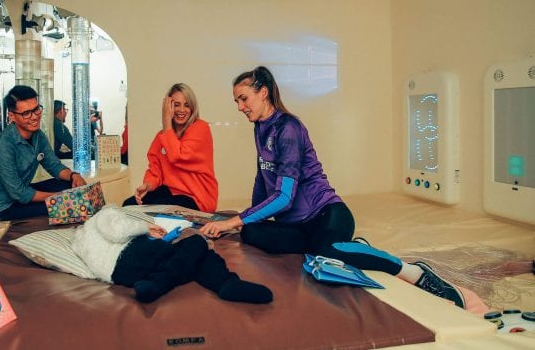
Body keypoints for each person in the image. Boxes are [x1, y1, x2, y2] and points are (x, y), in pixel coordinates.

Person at [199, 66, 465, 308]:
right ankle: (346, 247)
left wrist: (232, 221)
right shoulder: (260, 127)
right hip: (296, 225)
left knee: (325, 252)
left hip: (326, 214)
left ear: (263, 92)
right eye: (236, 101)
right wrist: (245, 219)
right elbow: (263, 176)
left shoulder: (288, 128)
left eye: (243, 98)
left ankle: (415, 272)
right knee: (252, 233)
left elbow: (283, 197)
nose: (239, 106)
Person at [71, 206, 273, 304]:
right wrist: (145, 226)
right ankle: (224, 283)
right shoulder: (105, 213)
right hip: (129, 254)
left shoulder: (78, 240)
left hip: (120, 275)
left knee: (184, 258)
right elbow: (118, 230)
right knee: (196, 242)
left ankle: (154, 283)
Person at [0, 86, 86, 221]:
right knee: (65, 203)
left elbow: (54, 165)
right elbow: (20, 193)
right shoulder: (1, 145)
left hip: (19, 196)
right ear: (12, 116)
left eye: (36, 109)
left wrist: (73, 175)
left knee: (69, 185)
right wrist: (58, 197)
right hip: (0, 208)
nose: (34, 117)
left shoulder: (38, 136)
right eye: (26, 113)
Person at [122, 83, 218, 212]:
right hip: (170, 191)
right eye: (176, 105)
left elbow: (177, 156)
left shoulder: (200, 127)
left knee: (156, 211)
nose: (182, 110)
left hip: (196, 197)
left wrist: (166, 120)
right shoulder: (161, 136)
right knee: (129, 205)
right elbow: (155, 169)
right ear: (169, 106)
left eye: (187, 105)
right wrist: (148, 185)